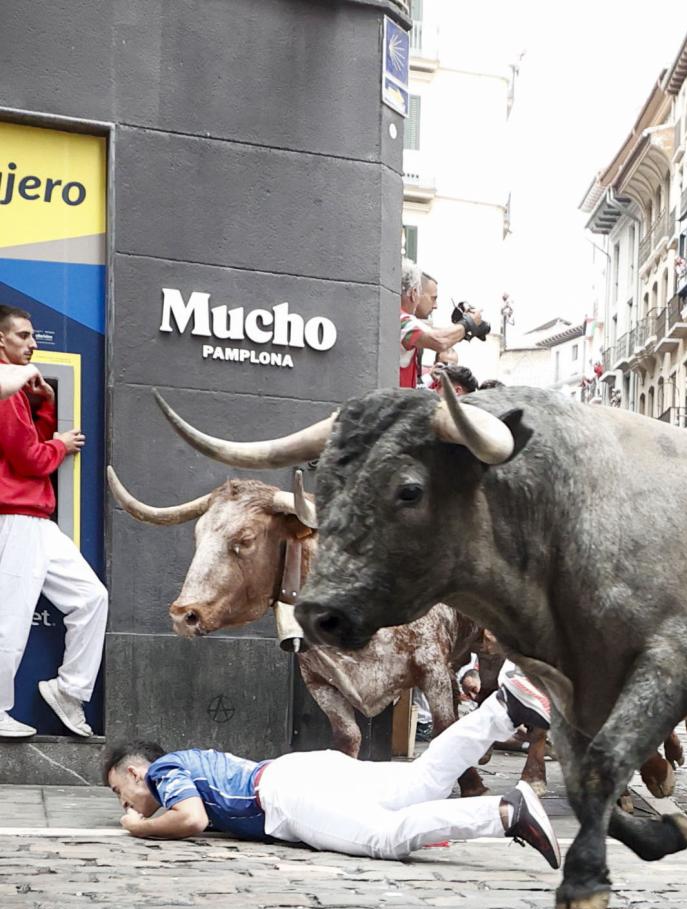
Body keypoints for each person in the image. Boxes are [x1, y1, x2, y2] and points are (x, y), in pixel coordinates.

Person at [102, 685, 562, 862]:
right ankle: (501, 710)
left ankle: (505, 813)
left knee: (385, 838)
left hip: (285, 796)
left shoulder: (166, 768)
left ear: (136, 771)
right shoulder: (185, 763)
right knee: (419, 782)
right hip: (304, 771)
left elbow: (190, 819)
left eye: (120, 792)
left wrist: (140, 827)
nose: (124, 803)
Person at [0, 305, 105, 740]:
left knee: (91, 598)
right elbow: (30, 458)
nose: (32, 344)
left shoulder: (18, 392)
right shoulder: (5, 391)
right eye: (23, 336)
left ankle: (68, 690)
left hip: (35, 520)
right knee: (9, 619)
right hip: (14, 518)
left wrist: (44, 405)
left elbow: (29, 444)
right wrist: (60, 445)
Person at [399, 259, 482, 390]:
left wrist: (462, 328)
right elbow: (440, 340)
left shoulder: (399, 319)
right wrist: (468, 323)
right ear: (414, 293)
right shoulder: (402, 320)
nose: (436, 305)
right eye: (434, 298)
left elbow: (437, 334)